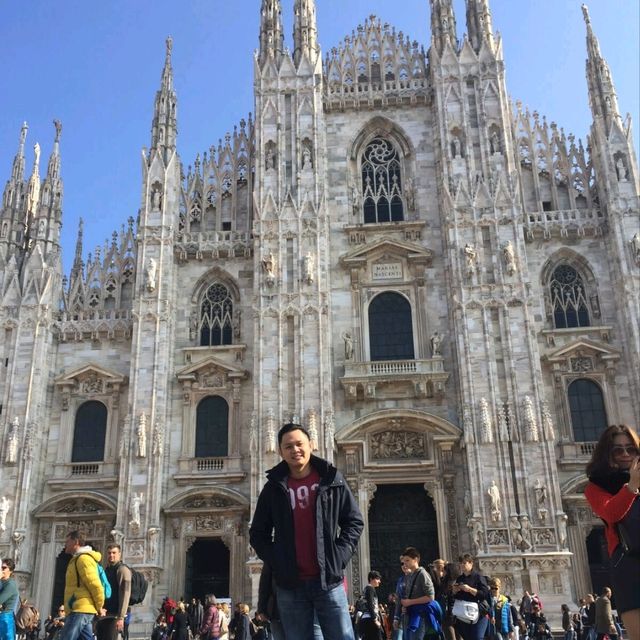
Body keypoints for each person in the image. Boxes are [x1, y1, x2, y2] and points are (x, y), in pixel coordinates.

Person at [250, 422, 364, 640]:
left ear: (311, 444)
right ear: (280, 451)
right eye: (288, 446)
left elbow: (354, 521)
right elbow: (257, 533)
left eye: (299, 444)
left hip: (328, 581)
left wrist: (338, 556)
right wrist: (278, 560)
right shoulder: (273, 488)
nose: (295, 450)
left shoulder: (332, 480)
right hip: (290, 584)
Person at [585, 424, 640, 640]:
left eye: (631, 449)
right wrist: (632, 486)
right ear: (607, 454)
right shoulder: (596, 487)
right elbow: (612, 513)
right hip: (629, 564)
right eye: (618, 450)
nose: (626, 454)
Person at [59, 531, 105, 640]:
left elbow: (95, 585)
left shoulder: (83, 559)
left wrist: (99, 606)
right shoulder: (77, 559)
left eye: (67, 541)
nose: (65, 544)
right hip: (81, 608)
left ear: (76, 542)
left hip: (80, 608)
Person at [96, 544, 132, 640]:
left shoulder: (123, 570)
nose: (111, 555)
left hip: (114, 616)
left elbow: (125, 594)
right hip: (104, 615)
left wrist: (121, 617)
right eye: (109, 553)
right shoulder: (106, 570)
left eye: (114, 553)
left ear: (119, 554)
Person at [398, 547, 435, 640]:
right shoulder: (411, 575)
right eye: (404, 561)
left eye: (407, 560)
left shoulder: (422, 574)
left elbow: (430, 597)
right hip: (410, 615)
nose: (405, 563)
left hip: (420, 616)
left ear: (416, 560)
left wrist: (409, 602)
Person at [451, 553, 490, 640]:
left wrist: (469, 589)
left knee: (477, 637)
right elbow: (456, 597)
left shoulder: (478, 577)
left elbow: (484, 594)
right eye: (460, 563)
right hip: (464, 613)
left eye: (464, 563)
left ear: (471, 563)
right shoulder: (460, 578)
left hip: (479, 613)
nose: (462, 565)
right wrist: (454, 591)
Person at [359, 571, 383, 640]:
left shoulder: (366, 589)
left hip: (366, 619)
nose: (379, 581)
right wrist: (375, 620)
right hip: (370, 619)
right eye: (377, 579)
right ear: (371, 579)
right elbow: (370, 604)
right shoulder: (370, 588)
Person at [0, 559, 19, 640]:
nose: (1, 570)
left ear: (10, 571)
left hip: (5, 619)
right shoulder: (1, 582)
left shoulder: (11, 584)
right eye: (0, 567)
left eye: (4, 568)